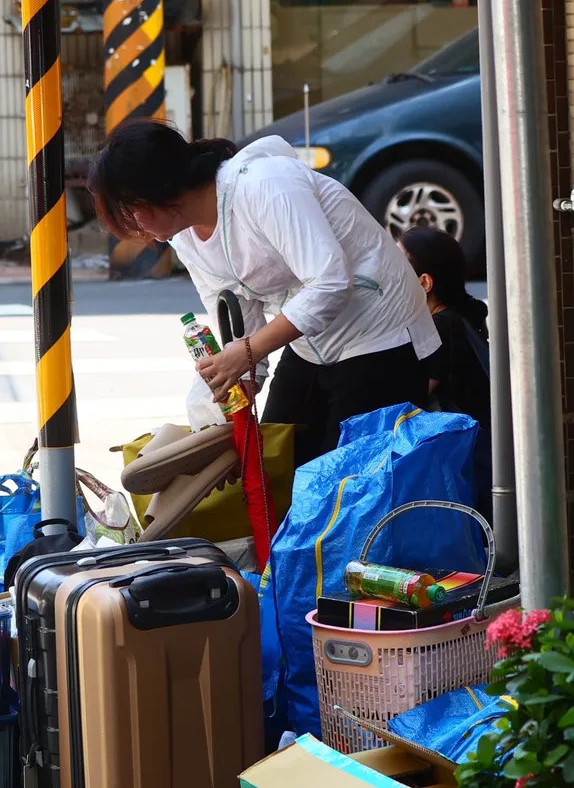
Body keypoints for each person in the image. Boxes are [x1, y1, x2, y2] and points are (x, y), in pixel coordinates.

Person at [89, 120, 441, 465]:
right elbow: (234, 315)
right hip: (310, 342)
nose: (134, 227)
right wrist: (241, 384)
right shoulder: (185, 237)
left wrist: (247, 352)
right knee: (275, 465)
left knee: (350, 483)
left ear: (159, 191)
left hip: (380, 334)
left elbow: (330, 282)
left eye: (129, 211)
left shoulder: (263, 184)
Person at [400, 225, 492, 520]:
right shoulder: (463, 316)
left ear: (424, 282)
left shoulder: (438, 328)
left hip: (465, 462)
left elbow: (410, 399)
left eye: (398, 266)